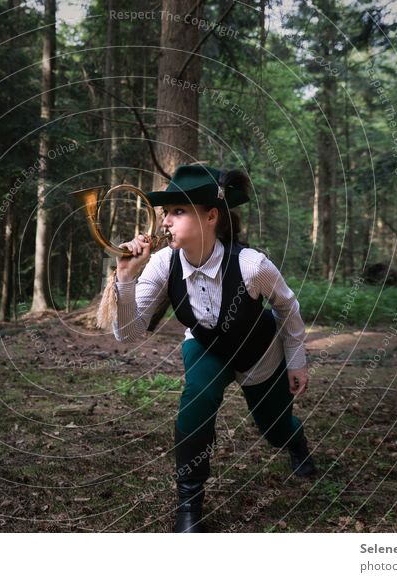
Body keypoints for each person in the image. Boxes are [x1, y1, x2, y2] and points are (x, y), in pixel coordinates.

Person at [111, 164, 317, 533]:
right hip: (206, 347)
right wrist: (125, 278)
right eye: (165, 213)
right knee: (197, 396)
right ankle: (189, 506)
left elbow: (288, 306)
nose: (165, 223)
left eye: (178, 211)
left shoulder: (252, 265)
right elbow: (128, 335)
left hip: (260, 352)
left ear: (210, 216)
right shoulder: (162, 263)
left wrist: (297, 361)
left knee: (273, 428)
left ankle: (296, 442)